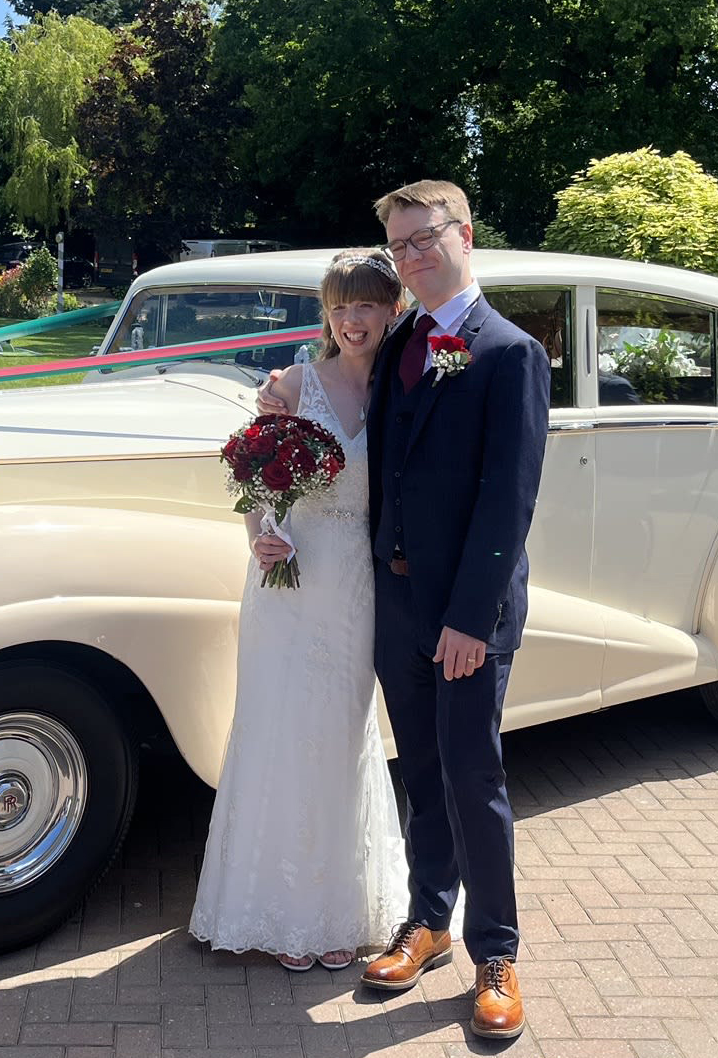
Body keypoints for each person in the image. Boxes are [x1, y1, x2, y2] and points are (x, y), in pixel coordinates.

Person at [256, 180, 550, 1040]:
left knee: (473, 778)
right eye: (400, 244)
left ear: (465, 237)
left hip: (465, 615)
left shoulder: (508, 353)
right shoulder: (400, 340)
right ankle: (429, 923)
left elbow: (508, 501)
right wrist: (285, 390)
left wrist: (470, 617)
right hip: (396, 604)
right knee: (419, 771)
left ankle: (496, 954)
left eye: (427, 239)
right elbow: (342, 398)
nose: (414, 255)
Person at [189, 250, 409, 973]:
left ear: (391, 311)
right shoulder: (289, 384)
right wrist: (260, 538)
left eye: (367, 305)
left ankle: (336, 909)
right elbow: (254, 480)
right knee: (275, 729)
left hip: (354, 586)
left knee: (340, 735)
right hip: (285, 584)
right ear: (327, 314)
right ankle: (267, 908)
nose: (352, 320)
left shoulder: (406, 391)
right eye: (340, 307)